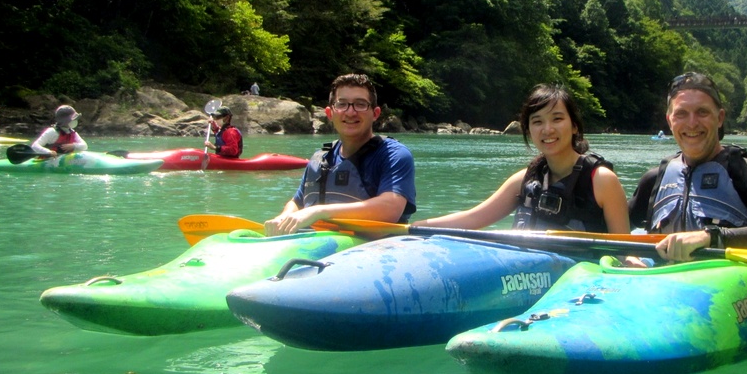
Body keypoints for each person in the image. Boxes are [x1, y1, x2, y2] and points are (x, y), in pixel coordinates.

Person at [628, 71, 747, 262]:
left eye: (702, 112)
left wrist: (711, 237)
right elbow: (611, 226)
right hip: (662, 285)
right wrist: (628, 257)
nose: (692, 123)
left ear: (720, 118)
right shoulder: (654, 179)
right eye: (681, 113)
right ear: (670, 121)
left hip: (729, 286)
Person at [419, 84, 630, 233]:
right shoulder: (525, 180)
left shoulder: (602, 180)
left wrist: (631, 261)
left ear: (574, 126)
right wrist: (413, 228)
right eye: (537, 122)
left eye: (557, 119)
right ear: (528, 130)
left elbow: (625, 250)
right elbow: (473, 218)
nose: (547, 129)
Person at [264, 73, 416, 235]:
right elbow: (298, 202)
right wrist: (284, 217)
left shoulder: (394, 155)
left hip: (372, 251)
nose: (350, 113)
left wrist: (319, 211)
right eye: (342, 104)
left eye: (360, 104)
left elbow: (390, 208)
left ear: (375, 114)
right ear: (330, 113)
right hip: (314, 246)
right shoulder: (319, 158)